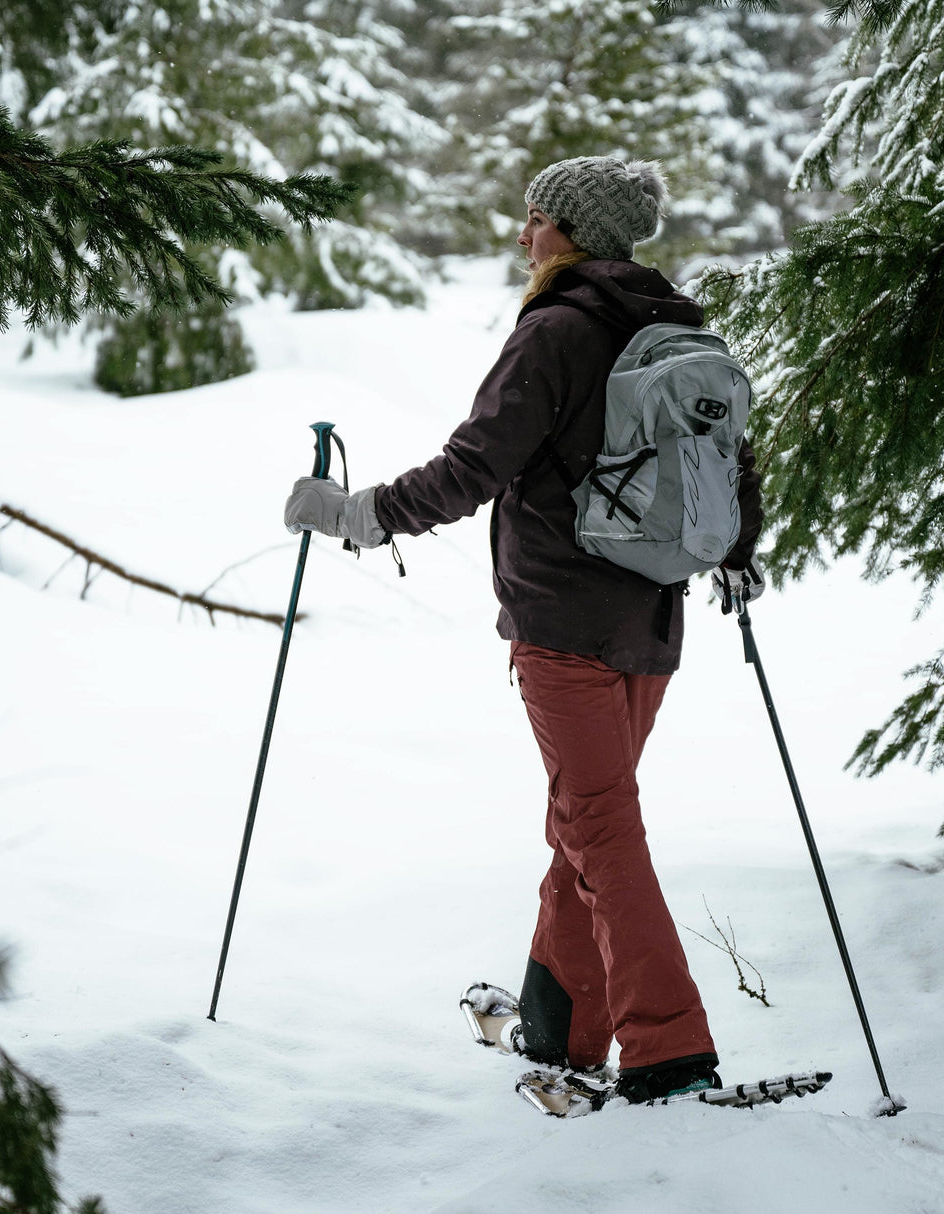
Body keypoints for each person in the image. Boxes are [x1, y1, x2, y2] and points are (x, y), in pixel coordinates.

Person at [283, 156, 764, 1104]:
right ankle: (560, 1026)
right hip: (653, 622)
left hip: (562, 625)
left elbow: (473, 466)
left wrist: (355, 515)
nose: (522, 234)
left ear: (572, 233)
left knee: (599, 826)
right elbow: (730, 469)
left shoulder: (555, 330)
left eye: (536, 218)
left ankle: (670, 1048)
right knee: (580, 824)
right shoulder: (673, 328)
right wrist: (739, 548)